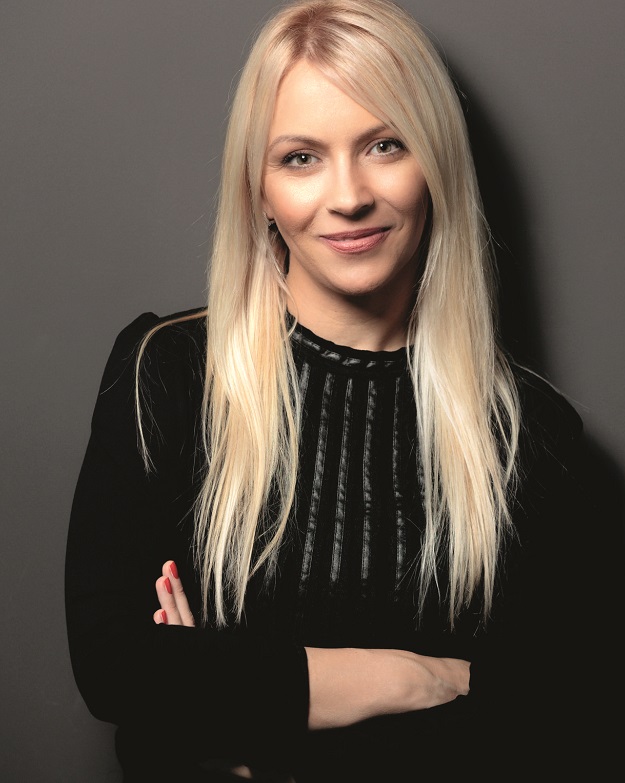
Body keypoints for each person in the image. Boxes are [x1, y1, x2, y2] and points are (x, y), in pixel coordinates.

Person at [65, 1, 587, 781]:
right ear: (259, 187)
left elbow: (537, 722)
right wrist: (420, 678)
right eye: (300, 157)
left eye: (384, 145)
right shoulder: (167, 372)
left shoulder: (528, 432)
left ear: (436, 161)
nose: (348, 195)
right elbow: (117, 668)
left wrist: (225, 698)